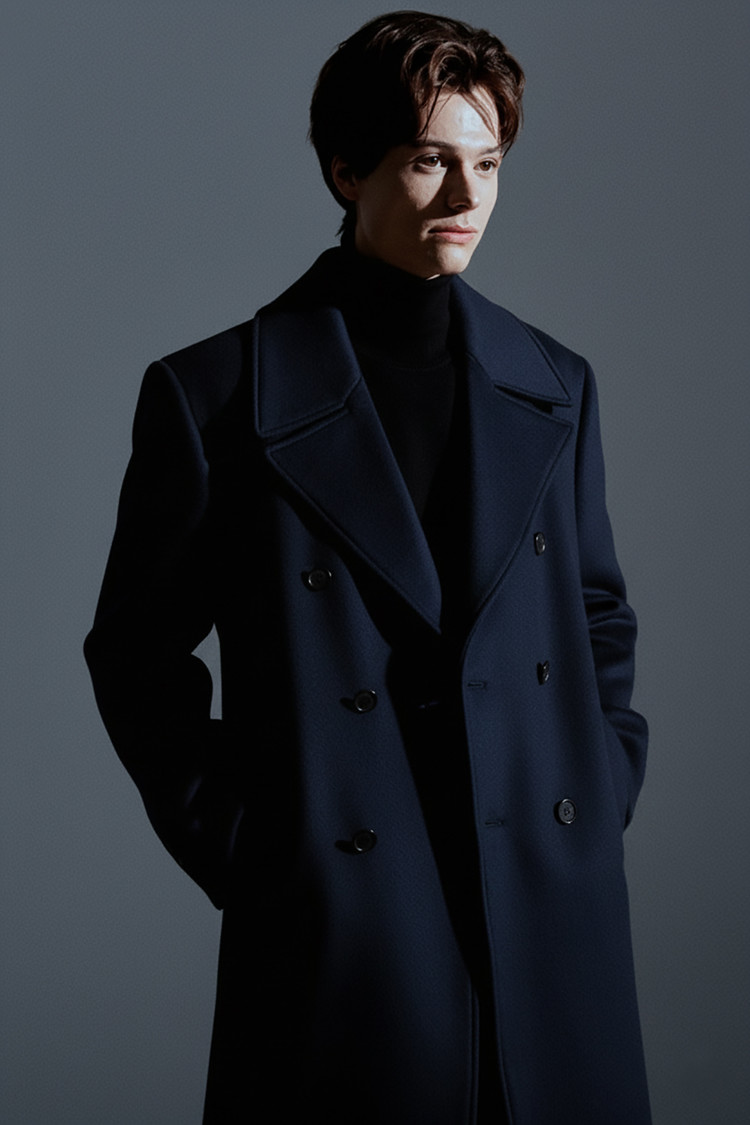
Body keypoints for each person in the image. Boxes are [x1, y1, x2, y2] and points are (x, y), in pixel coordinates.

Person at [85, 11, 651, 1124]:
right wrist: (260, 851)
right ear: (347, 171)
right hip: (344, 917)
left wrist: (598, 783)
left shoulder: (555, 382)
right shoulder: (215, 397)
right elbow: (135, 655)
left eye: (489, 162)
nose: (467, 196)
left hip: (546, 896)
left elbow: (596, 612)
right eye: (430, 160)